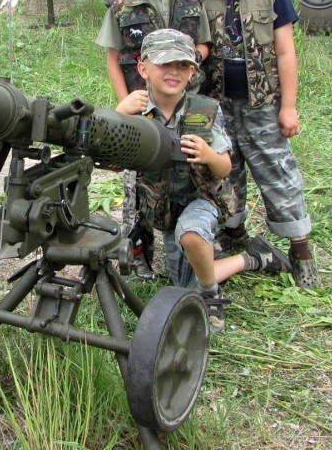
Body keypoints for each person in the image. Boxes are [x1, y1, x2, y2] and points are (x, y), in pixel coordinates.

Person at [116, 29, 291, 332]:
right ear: (143, 68)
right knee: (184, 284)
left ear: (192, 71)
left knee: (192, 234)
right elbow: (112, 158)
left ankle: (212, 297)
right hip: (165, 211)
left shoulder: (206, 110)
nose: (174, 72)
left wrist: (209, 155)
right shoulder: (134, 111)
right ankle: (253, 258)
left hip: (202, 200)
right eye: (164, 64)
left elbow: (224, 168)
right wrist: (118, 115)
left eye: (182, 65)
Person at [202, 0, 318, 288]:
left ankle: (300, 250)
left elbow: (286, 53)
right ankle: (234, 237)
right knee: (224, 173)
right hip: (218, 107)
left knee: (278, 172)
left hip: (262, 105)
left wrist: (288, 106)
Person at [95, 0, 209, 279]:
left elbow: (204, 43)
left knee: (185, 168)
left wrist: (180, 69)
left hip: (184, 106)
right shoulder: (121, 2)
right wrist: (127, 102)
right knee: (137, 180)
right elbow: (114, 58)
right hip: (142, 108)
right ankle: (138, 251)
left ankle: (194, 237)